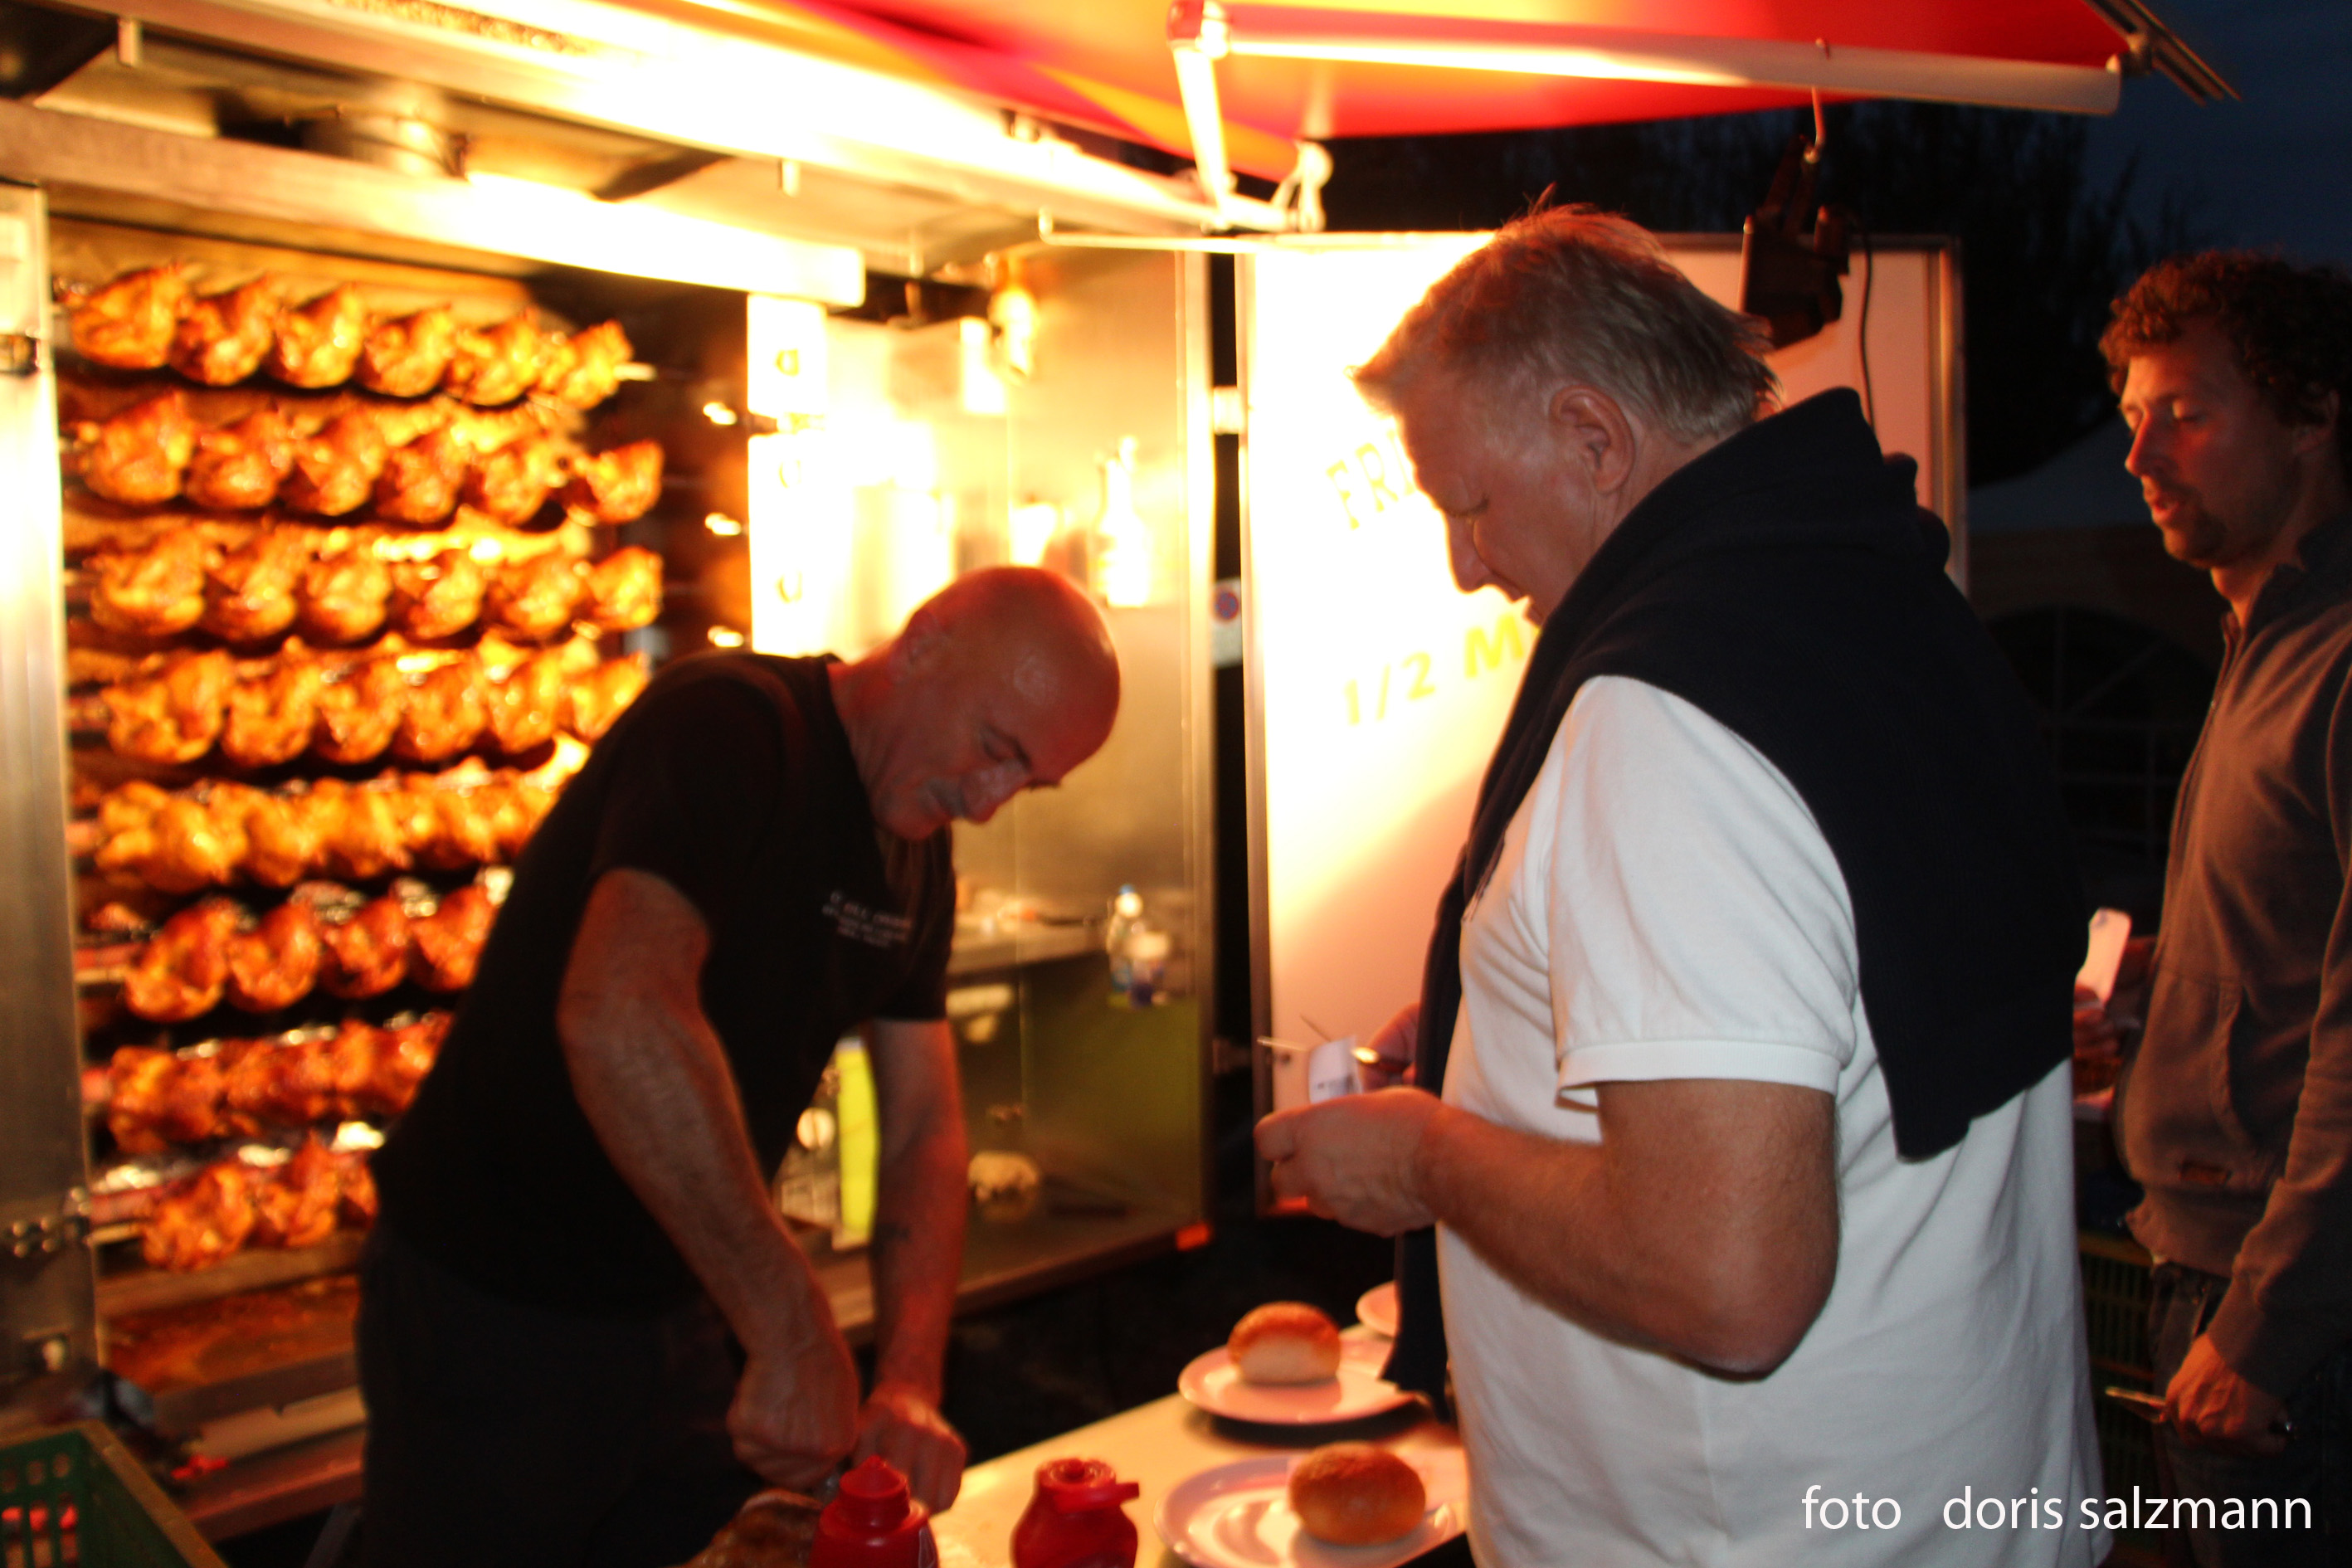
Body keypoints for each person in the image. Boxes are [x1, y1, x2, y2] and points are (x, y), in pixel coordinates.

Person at [1255, 208, 2101, 1565]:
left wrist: (1429, 1153)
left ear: (1594, 439)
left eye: (1467, 503)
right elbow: (1843, 1011)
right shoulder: (1881, 602)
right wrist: (1498, 1044)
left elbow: (1726, 1278)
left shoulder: (1666, 715)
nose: (1463, 566)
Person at [359, 566, 1121, 1567]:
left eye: (1028, 783)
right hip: (497, 1306)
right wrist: (790, 1318)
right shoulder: (734, 726)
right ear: (925, 640)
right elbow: (620, 1011)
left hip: (684, 1306)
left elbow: (924, 1128)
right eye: (994, 748)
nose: (990, 803)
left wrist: (908, 1381)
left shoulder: (916, 853)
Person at [2082, 251, 2352, 1566]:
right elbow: (2286, 944)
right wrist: (2158, 992)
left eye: (2183, 413)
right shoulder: (2260, 637)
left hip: (2285, 1314)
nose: (2138, 456)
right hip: (2214, 1267)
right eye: (2132, 416)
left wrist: (2262, 1329)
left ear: (2308, 415)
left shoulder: (2335, 657)